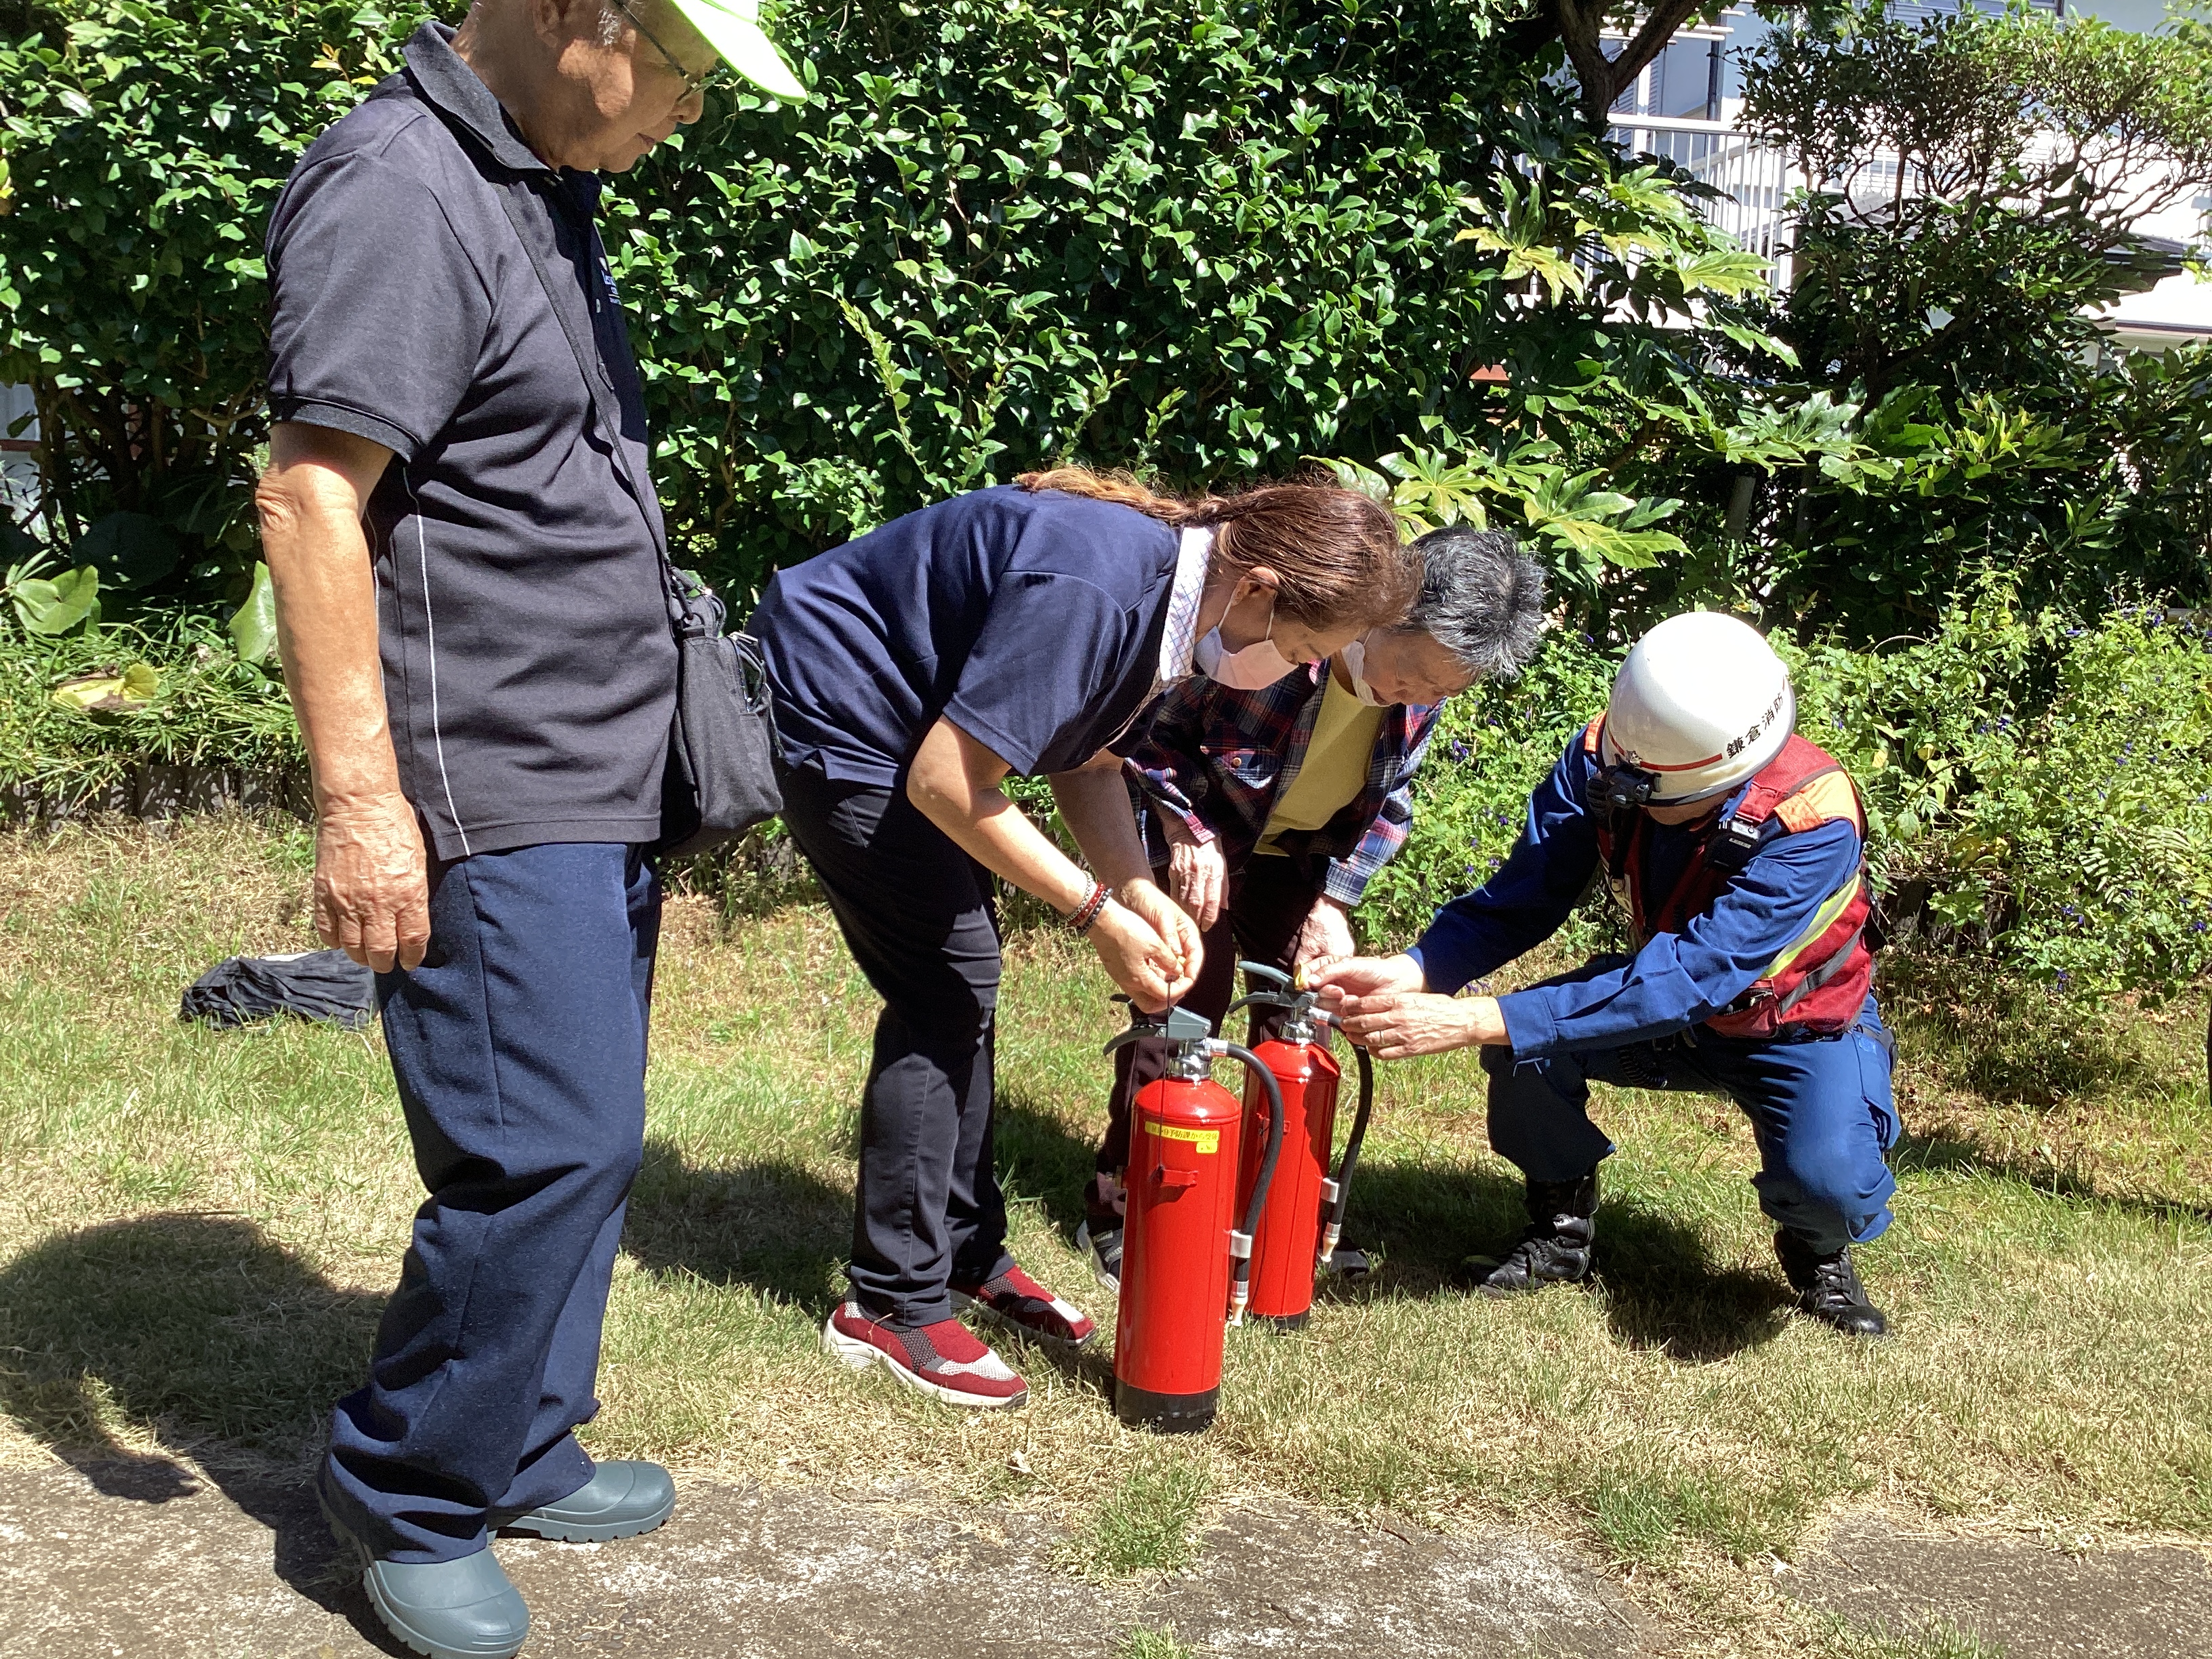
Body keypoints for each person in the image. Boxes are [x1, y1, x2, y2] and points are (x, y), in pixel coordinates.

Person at [254, 2, 806, 1654]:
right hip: (486, 779)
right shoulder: (401, 187)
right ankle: (410, 1484)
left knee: (598, 1131)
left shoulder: (528, 178)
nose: (691, 119)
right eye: (690, 77)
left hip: (594, 761)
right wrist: (364, 802)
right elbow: (310, 496)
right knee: (540, 1144)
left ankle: (517, 1438)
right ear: (587, 20)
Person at [748, 468, 1420, 1410]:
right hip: (842, 709)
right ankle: (890, 1304)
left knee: (964, 977)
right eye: (1309, 648)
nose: (1305, 670)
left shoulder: (1177, 606)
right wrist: (1094, 915)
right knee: (946, 986)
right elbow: (948, 782)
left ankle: (967, 1253)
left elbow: (1090, 762)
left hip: (914, 735)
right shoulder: (1098, 588)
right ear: (1262, 590)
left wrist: (1138, 888)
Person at [1309, 611, 1900, 1336]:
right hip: (1667, 1000)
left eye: (1663, 802)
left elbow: (1692, 976)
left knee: (1830, 1182)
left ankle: (1817, 1245)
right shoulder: (1612, 755)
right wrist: (1417, 969)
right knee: (1524, 1046)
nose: (1633, 801)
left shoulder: (1812, 821)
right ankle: (1561, 1225)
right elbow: (1524, 895)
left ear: (1729, 774)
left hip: (1791, 1028)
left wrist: (1472, 1018)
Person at [1076, 527, 1549, 1288]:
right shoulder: (1281, 640)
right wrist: (1179, 827)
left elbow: (1391, 800)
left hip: (1301, 858)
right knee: (1185, 1000)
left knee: (1305, 1012)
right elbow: (1142, 737)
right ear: (1389, 613)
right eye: (1417, 676)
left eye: (1444, 690)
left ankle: (1275, 1210)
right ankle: (1119, 1204)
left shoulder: (1424, 691)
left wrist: (1334, 902)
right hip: (1200, 832)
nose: (1423, 698)